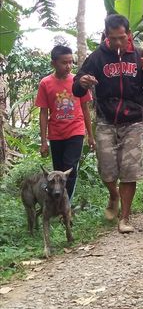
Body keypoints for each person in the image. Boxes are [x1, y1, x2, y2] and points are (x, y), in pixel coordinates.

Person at [73, 14, 143, 233]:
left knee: (129, 171)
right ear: (106, 36)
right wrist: (82, 82)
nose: (118, 43)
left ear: (129, 34)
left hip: (133, 121)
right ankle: (114, 194)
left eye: (122, 38)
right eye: (113, 39)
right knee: (106, 169)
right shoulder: (97, 57)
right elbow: (76, 86)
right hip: (105, 119)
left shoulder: (140, 55)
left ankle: (125, 218)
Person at [36, 45, 94, 201]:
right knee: (58, 172)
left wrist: (90, 135)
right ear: (53, 63)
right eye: (64, 62)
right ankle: (57, 201)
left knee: (70, 168)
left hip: (75, 130)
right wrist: (43, 142)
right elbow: (43, 113)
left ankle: (65, 203)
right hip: (56, 133)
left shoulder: (78, 82)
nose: (68, 66)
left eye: (71, 62)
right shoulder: (45, 83)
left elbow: (85, 108)